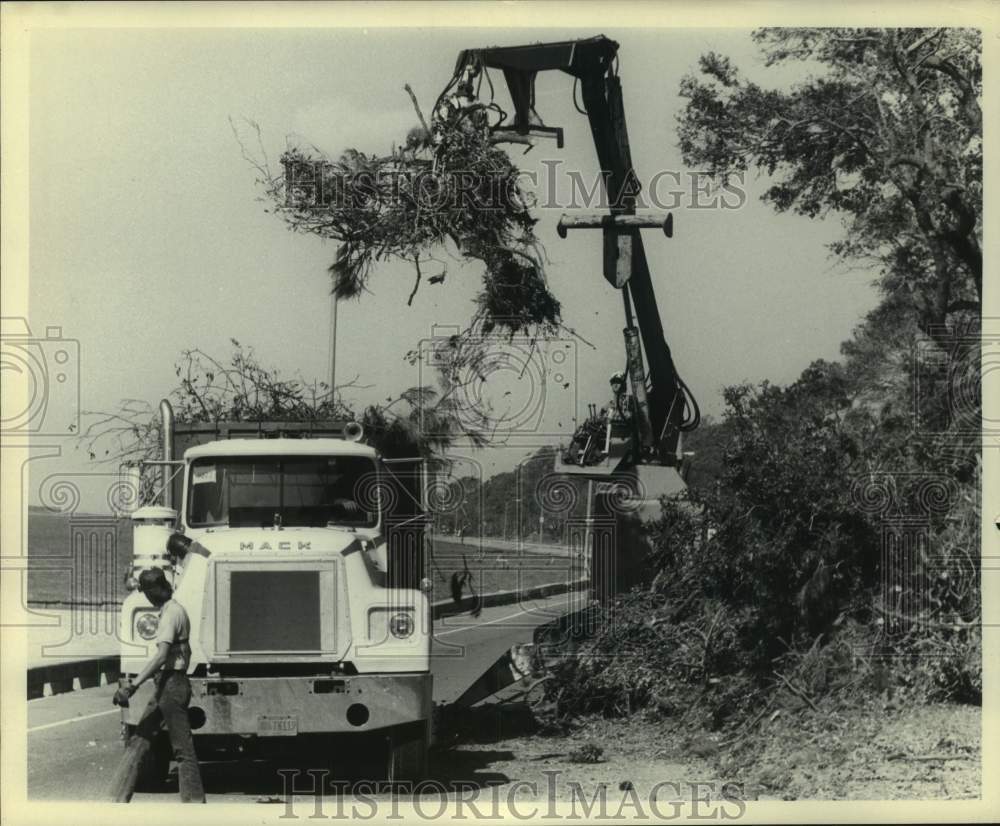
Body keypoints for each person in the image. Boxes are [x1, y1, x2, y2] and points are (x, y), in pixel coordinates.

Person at [109, 567, 205, 803]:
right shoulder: (170, 610)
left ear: (159, 589)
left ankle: (195, 806)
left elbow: (162, 656)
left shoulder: (172, 613)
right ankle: (116, 799)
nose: (148, 598)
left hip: (172, 684)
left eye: (150, 592)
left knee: (182, 750)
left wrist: (133, 685)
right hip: (166, 684)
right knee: (139, 741)